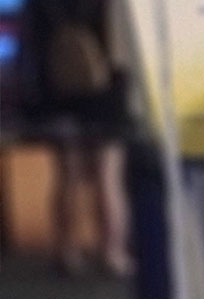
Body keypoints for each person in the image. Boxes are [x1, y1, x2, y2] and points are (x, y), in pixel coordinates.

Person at [25, 0, 132, 277]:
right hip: (106, 90)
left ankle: (66, 251)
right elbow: (122, 44)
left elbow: (32, 40)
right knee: (108, 173)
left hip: (57, 88)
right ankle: (112, 252)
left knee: (66, 173)